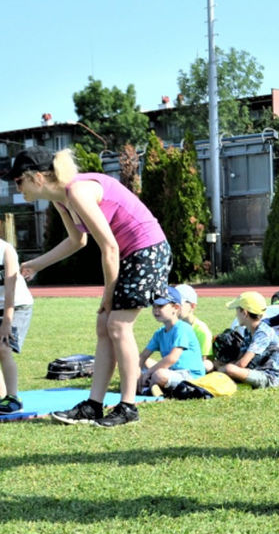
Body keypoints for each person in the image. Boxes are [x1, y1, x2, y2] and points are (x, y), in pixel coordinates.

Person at [10, 146, 171, 427]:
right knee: (104, 325)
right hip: (129, 254)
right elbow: (77, 241)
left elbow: (109, 247)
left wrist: (108, 295)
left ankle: (128, 407)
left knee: (117, 325)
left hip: (147, 251)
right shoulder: (62, 200)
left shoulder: (77, 191)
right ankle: (93, 405)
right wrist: (36, 264)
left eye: (18, 181)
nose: (17, 187)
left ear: (37, 177)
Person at [137, 286, 206, 395]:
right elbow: (143, 356)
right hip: (173, 372)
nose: (156, 310)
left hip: (191, 376)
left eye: (160, 306)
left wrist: (149, 373)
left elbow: (172, 358)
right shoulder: (159, 333)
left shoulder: (182, 328)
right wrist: (137, 374)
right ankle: (151, 386)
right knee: (139, 364)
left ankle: (150, 388)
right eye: (154, 306)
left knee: (159, 375)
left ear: (176, 307)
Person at [215, 291, 279, 390]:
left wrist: (223, 369)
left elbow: (242, 364)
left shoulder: (263, 333)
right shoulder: (248, 331)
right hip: (255, 369)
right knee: (219, 364)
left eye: (237, 310)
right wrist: (221, 364)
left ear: (244, 313)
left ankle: (218, 376)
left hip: (269, 376)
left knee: (229, 369)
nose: (236, 314)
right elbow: (241, 357)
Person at [0, 234, 34, 414]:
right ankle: (2, 397)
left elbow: (10, 290)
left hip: (17, 305)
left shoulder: (6, 250)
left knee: (3, 348)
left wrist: (7, 322)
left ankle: (13, 398)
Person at [175, 283, 214, 372]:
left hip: (190, 370)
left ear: (192, 306)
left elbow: (202, 362)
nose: (175, 307)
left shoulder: (201, 331)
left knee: (207, 364)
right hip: (173, 366)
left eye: (179, 304)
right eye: (172, 304)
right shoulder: (173, 326)